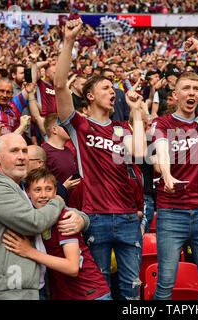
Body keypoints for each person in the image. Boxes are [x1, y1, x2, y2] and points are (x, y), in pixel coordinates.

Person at [55, 18, 146, 300]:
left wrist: (137, 112)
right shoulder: (80, 126)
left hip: (129, 217)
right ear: (90, 95)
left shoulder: (123, 127)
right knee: (101, 289)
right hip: (95, 217)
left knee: (132, 289)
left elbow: (141, 153)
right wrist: (69, 41)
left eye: (113, 88)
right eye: (106, 87)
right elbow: (59, 86)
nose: (113, 92)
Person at [0, 133, 89, 300]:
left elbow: (56, 211)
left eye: (25, 151)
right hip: (0, 291)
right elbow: (35, 222)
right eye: (14, 151)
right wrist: (58, 200)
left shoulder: (23, 189)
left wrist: (81, 218)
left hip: (28, 287)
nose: (21, 157)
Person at [150, 37, 198, 300]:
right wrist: (167, 174)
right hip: (171, 213)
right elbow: (160, 146)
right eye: (186, 88)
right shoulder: (163, 123)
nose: (192, 93)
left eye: (196, 88)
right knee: (166, 283)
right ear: (175, 95)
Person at [1, 168, 111, 300]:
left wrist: (29, 252)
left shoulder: (63, 218)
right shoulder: (33, 219)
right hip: (65, 293)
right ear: (28, 193)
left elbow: (72, 267)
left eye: (48, 189)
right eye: (37, 190)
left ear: (55, 192)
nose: (43, 195)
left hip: (89, 293)